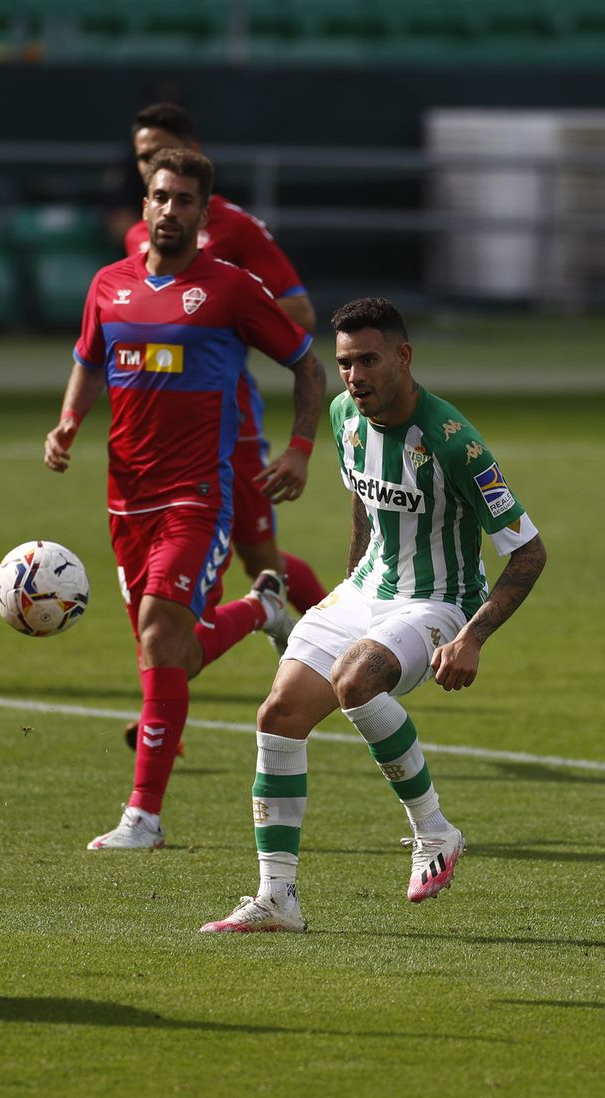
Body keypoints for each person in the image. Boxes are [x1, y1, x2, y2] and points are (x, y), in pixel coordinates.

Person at [200, 297, 547, 933]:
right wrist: (347, 594)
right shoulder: (342, 415)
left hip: (440, 603)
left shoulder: (455, 443)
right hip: (366, 590)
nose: (354, 376)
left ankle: (435, 832)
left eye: (368, 360)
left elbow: (528, 553)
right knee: (278, 715)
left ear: (403, 357)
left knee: (356, 680)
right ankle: (277, 898)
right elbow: (364, 504)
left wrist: (472, 637)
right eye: (344, 363)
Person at [44, 148, 328, 851]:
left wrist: (298, 448)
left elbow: (307, 364)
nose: (170, 210)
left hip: (195, 497)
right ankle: (263, 606)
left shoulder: (228, 289)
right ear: (145, 205)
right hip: (124, 503)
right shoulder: (107, 285)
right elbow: (86, 362)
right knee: (171, 657)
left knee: (157, 637)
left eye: (184, 200)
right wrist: (69, 423)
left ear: (205, 213)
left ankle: (142, 818)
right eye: (160, 197)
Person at [123, 103, 327, 613]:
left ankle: (342, 641)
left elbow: (300, 314)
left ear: (194, 153)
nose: (151, 165)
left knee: (260, 559)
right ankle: (182, 649)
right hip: (162, 432)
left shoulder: (234, 228)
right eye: (143, 158)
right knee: (202, 565)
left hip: (227, 425)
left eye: (162, 153)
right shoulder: (135, 237)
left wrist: (224, 316)